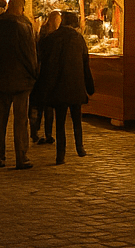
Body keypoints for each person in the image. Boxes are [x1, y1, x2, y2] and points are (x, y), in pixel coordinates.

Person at [0, 0, 38, 169]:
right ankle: (21, 156)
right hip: (21, 81)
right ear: (19, 8)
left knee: (0, 120)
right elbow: (30, 55)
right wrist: (34, 74)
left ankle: (0, 156)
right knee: (21, 120)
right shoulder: (23, 26)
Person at [35, 10, 94, 164]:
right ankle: (79, 147)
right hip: (76, 85)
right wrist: (89, 86)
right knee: (76, 119)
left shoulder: (53, 38)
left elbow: (48, 64)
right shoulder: (79, 39)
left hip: (59, 86)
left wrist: (45, 88)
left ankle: (60, 154)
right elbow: (85, 63)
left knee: (60, 122)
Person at [30, 11, 62, 145]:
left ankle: (38, 132)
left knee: (42, 107)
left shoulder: (43, 34)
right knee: (44, 107)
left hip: (42, 75)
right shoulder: (51, 37)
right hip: (46, 75)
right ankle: (42, 133)